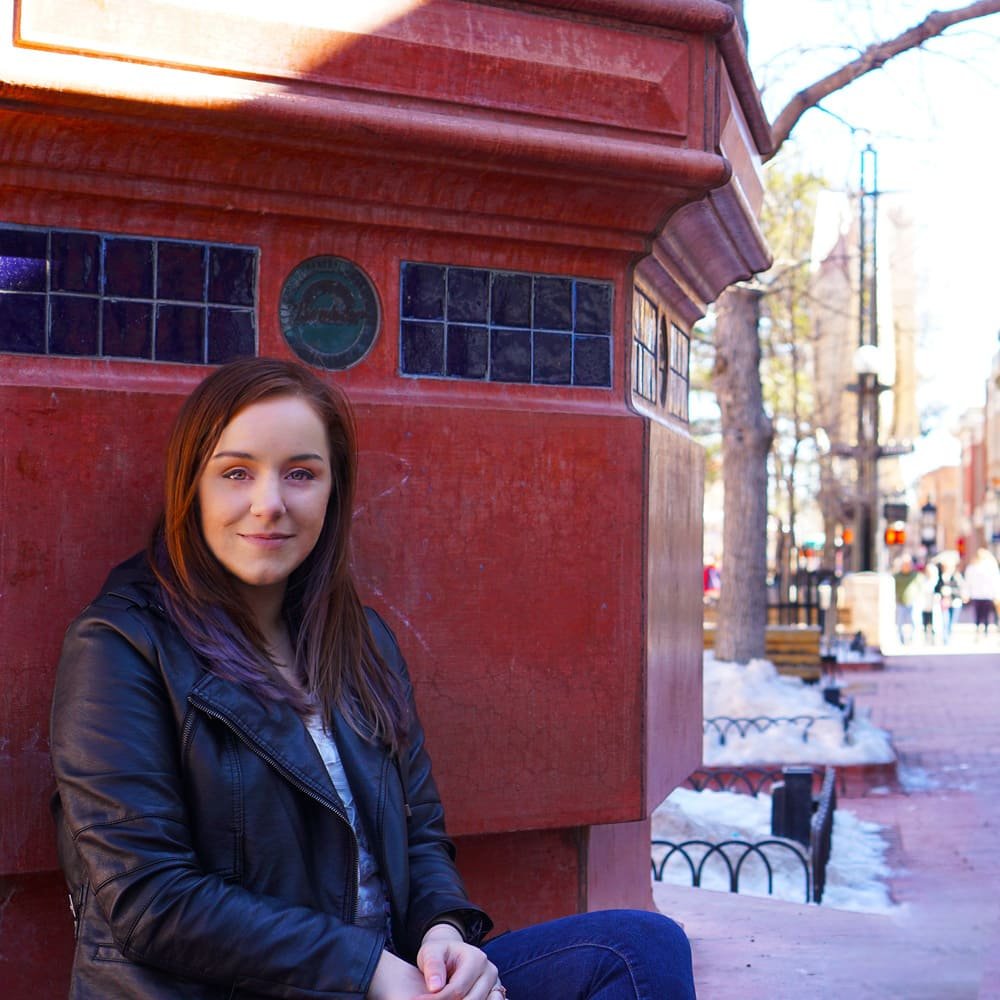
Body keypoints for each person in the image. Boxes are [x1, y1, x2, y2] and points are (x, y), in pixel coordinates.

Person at [50, 357, 696, 1000]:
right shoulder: (120, 647)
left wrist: (443, 933)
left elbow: (419, 835)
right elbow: (148, 900)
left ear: (334, 492)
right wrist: (367, 970)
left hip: (394, 981)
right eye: (236, 473)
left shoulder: (360, 643)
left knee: (638, 952)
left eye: (301, 474)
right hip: (254, 988)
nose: (268, 504)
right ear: (191, 485)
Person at [964, 547, 1000, 637]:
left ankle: (982, 629)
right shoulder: (973, 567)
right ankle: (982, 630)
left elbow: (995, 581)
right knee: (983, 612)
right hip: (981, 594)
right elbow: (968, 582)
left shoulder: (990, 567)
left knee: (981, 612)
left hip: (984, 594)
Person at [934, 556, 965, 645]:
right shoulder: (940, 576)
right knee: (945, 620)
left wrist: (950, 591)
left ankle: (949, 634)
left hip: (954, 601)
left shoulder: (956, 576)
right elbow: (936, 588)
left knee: (952, 620)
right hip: (944, 602)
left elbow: (960, 588)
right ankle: (945, 637)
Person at [892, 554, 921, 645]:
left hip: (912, 602)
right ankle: (901, 639)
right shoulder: (896, 576)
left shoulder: (915, 575)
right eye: (905, 564)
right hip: (901, 602)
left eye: (908, 564)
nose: (907, 566)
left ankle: (913, 639)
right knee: (900, 622)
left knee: (914, 621)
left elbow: (920, 587)